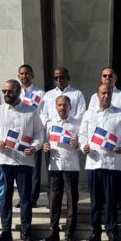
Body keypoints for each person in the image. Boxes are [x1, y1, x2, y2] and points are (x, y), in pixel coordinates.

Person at [0, 80, 44, 241]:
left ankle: (26, 230)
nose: (6, 94)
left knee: (25, 198)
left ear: (19, 92)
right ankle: (6, 230)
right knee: (4, 197)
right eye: (4, 91)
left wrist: (34, 147)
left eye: (10, 91)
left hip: (24, 162)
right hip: (3, 160)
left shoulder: (31, 111)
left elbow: (39, 134)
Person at [81, 84, 121, 241]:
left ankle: (112, 231)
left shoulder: (120, 114)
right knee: (95, 201)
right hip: (94, 163)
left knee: (111, 201)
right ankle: (95, 231)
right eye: (103, 93)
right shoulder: (89, 114)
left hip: (112, 164)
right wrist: (84, 146)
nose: (106, 96)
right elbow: (82, 135)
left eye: (108, 93)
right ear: (97, 95)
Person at [39, 67, 86, 207]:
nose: (59, 80)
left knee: (70, 182)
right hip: (52, 138)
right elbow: (43, 115)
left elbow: (80, 114)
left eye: (62, 77)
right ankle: (52, 203)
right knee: (53, 175)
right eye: (56, 78)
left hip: (69, 136)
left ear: (68, 77)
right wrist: (52, 126)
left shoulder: (77, 94)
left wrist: (66, 125)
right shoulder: (48, 95)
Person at [89, 67, 121, 210]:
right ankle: (102, 202)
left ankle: (117, 201)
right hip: (99, 144)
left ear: (115, 78)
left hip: (116, 142)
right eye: (104, 75)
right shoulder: (94, 96)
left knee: (117, 176)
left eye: (110, 76)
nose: (107, 78)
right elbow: (91, 118)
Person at [43, 95, 81, 241]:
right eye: (59, 105)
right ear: (55, 107)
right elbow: (44, 142)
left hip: (71, 165)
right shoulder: (50, 124)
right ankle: (54, 231)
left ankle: (70, 231)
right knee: (54, 199)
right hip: (55, 165)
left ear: (70, 107)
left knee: (72, 199)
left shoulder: (77, 123)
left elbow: (84, 141)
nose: (62, 108)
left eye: (65, 105)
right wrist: (44, 146)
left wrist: (77, 144)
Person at [17, 64, 46, 209]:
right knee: (21, 167)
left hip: (34, 134)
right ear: (18, 76)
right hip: (19, 136)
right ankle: (23, 197)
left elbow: (43, 114)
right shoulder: (16, 93)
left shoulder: (40, 93)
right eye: (22, 74)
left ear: (32, 76)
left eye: (27, 73)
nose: (24, 76)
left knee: (34, 167)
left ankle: (32, 197)